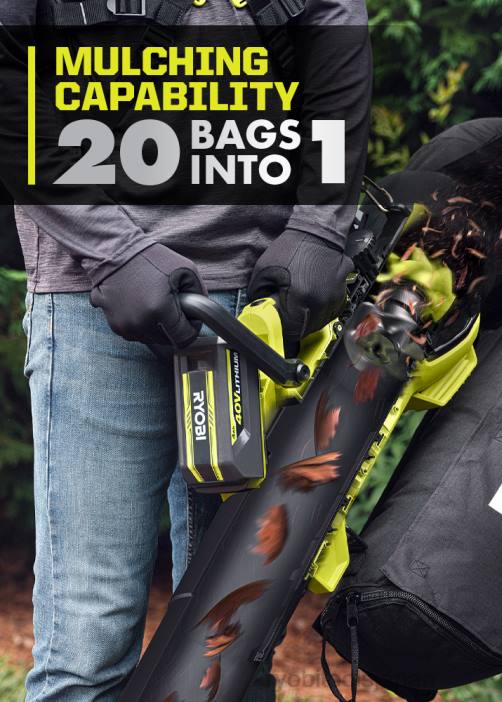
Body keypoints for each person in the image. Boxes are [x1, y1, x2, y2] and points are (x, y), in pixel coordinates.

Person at [1, 0, 371, 700]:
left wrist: (321, 225)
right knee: (84, 657)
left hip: (258, 309)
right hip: (95, 300)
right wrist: (112, 250)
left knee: (227, 659)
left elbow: (332, 25)